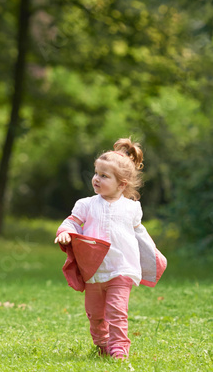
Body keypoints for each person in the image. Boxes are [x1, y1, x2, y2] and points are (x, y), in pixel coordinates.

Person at [54, 138, 166, 360]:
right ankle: (102, 344)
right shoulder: (86, 204)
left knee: (116, 311)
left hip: (122, 268)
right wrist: (64, 232)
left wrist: (152, 257)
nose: (96, 179)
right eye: (96, 173)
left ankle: (119, 348)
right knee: (95, 315)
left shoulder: (132, 208)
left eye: (104, 176)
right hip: (94, 270)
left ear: (122, 184)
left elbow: (139, 235)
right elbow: (72, 222)